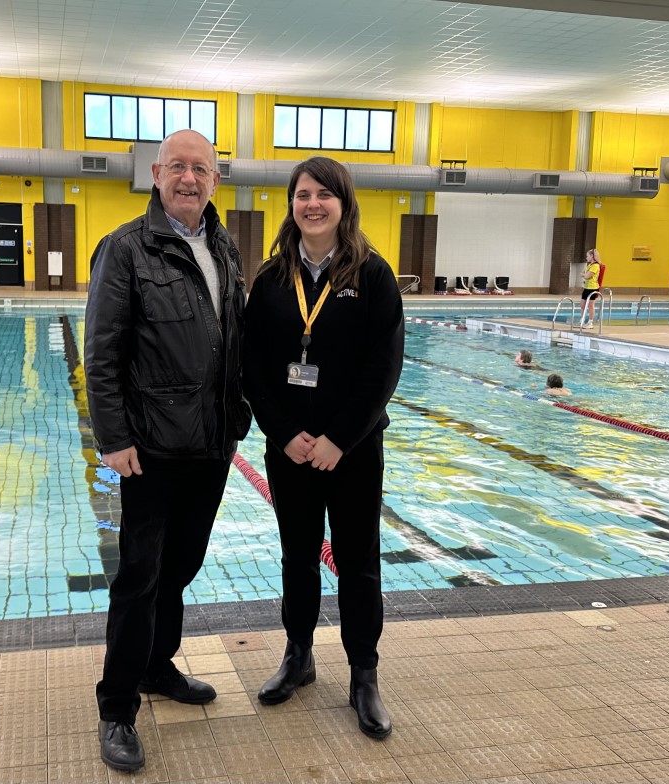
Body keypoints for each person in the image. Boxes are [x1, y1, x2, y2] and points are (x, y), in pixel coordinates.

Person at [84, 129, 251, 772]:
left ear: (215, 180)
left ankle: (158, 667)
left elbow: (232, 338)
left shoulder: (222, 245)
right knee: (139, 577)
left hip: (211, 443)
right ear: (155, 174)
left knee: (181, 566)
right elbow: (101, 351)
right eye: (177, 167)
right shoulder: (125, 248)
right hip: (151, 445)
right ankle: (117, 706)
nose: (189, 178)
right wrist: (114, 436)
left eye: (201, 169)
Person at [242, 156, 404, 739]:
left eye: (324, 195)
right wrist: (283, 433)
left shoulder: (373, 275)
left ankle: (365, 674)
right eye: (302, 195)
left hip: (352, 452)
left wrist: (340, 437)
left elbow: (384, 369)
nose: (312, 204)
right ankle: (298, 655)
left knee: (358, 563)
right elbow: (253, 366)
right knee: (297, 556)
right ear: (291, 204)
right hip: (291, 452)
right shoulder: (268, 279)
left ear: (343, 203)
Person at [579, 248, 602, 328]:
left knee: (590, 305)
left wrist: (583, 275)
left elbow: (587, 276)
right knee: (582, 304)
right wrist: (584, 274)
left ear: (592, 256)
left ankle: (590, 322)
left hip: (592, 288)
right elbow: (585, 274)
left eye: (587, 256)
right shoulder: (590, 265)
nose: (586, 257)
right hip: (586, 287)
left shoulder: (595, 266)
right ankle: (582, 320)